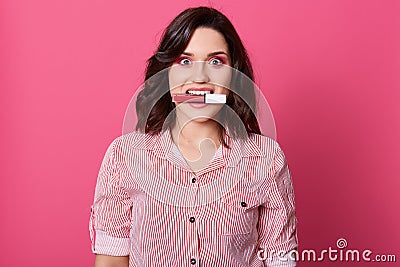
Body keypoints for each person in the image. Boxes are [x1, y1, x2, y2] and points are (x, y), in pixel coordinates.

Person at [89, 6, 298, 267]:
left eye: (216, 62)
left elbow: (280, 260)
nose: (200, 77)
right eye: (184, 61)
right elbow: (111, 260)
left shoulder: (267, 158)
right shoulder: (125, 156)